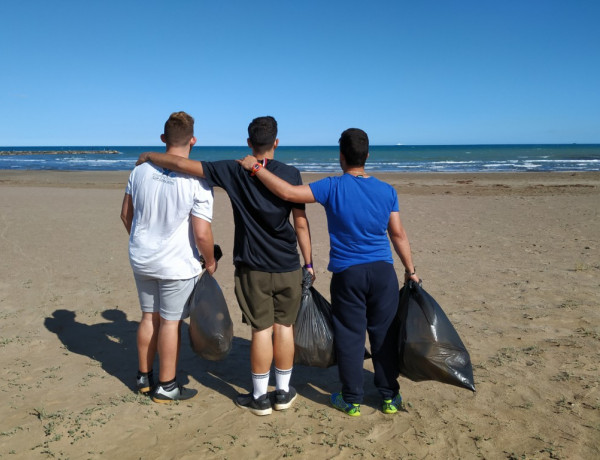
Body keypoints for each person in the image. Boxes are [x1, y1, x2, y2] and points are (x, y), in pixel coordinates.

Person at [136, 116, 314, 416]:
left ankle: (259, 398)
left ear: (248, 143)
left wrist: (152, 155)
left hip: (252, 266)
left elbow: (183, 166)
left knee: (261, 330)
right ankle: (282, 393)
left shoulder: (234, 169)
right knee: (284, 328)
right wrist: (308, 262)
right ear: (276, 143)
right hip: (287, 264)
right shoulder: (292, 174)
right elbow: (301, 224)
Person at [238, 128, 420, 417]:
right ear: (367, 155)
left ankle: (352, 400)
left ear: (341, 156)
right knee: (383, 334)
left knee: (350, 336)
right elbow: (397, 234)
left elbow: (287, 192)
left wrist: (256, 167)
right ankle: (389, 397)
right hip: (383, 272)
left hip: (348, 275)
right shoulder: (387, 190)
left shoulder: (332, 186)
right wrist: (411, 270)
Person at [120, 111, 216, 404]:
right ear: (194, 140)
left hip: (142, 256)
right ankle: (167, 385)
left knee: (149, 316)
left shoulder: (139, 170)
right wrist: (210, 260)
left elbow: (126, 215)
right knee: (170, 322)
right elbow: (202, 234)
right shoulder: (198, 180)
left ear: (164, 138)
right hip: (175, 263)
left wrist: (142, 241)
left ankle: (143, 377)